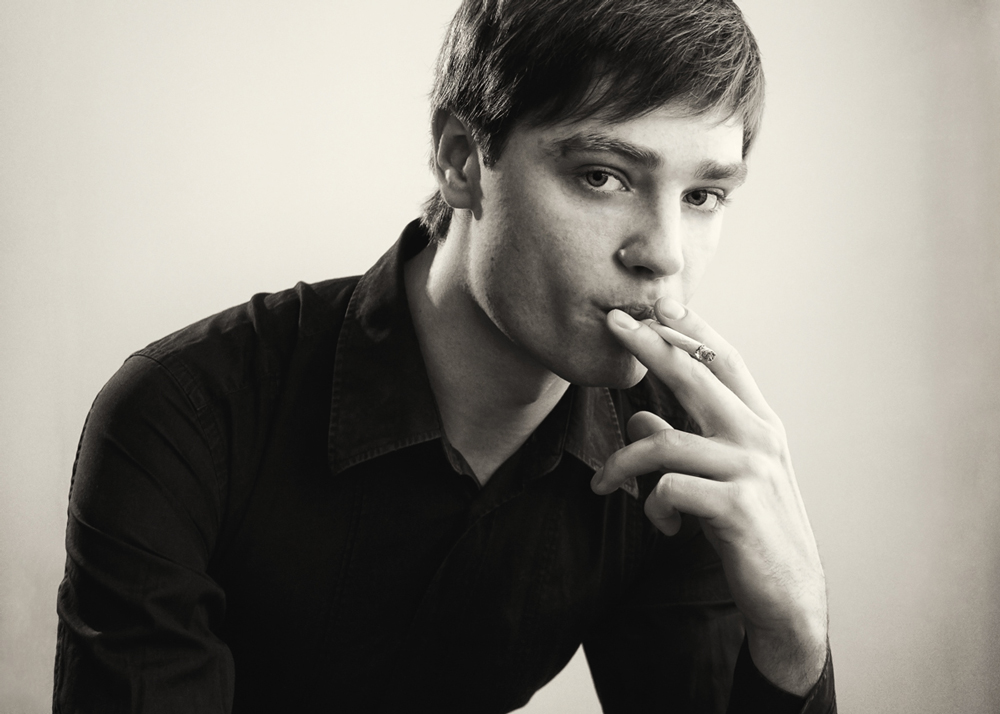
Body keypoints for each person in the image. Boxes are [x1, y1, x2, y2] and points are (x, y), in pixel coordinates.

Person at [54, 0, 836, 712]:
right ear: (462, 160)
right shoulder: (187, 418)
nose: (663, 254)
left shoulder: (676, 453)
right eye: (603, 177)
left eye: (703, 196)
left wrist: (795, 636)